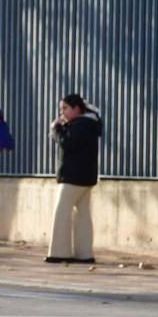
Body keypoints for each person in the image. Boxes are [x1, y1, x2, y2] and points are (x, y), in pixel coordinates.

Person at [46, 93, 102, 264]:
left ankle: (59, 252)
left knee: (62, 211)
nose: (62, 112)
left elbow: (66, 142)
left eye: (65, 108)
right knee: (83, 214)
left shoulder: (80, 124)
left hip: (72, 176)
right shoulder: (90, 123)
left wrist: (56, 128)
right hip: (87, 176)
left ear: (77, 109)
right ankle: (85, 253)